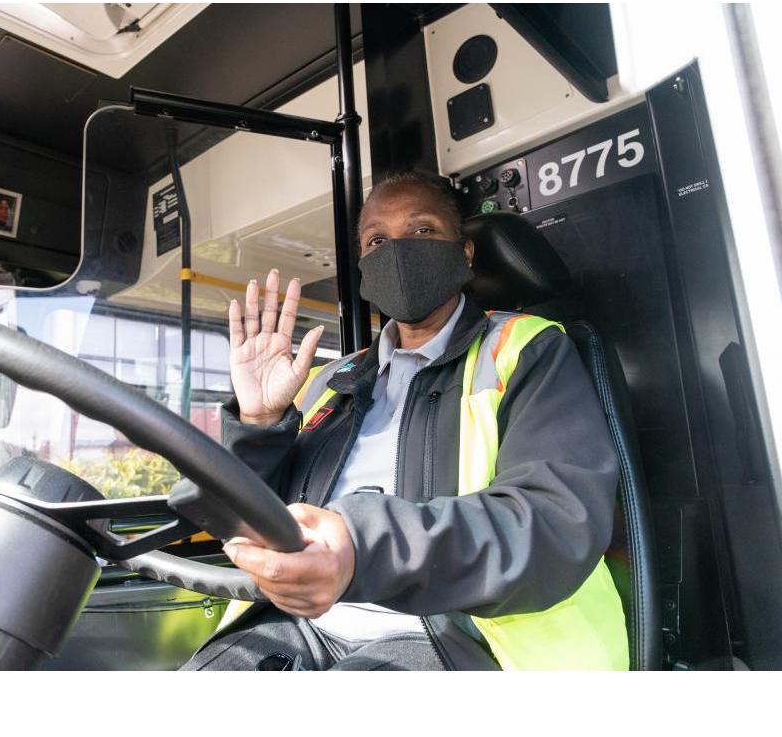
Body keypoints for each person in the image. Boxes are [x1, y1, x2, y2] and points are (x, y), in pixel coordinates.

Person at [180, 170, 629, 671]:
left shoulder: (527, 350)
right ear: (366, 269)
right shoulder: (333, 379)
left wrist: (362, 547)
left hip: (453, 631)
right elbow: (253, 519)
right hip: (300, 623)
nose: (398, 251)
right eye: (377, 240)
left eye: (421, 231)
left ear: (465, 252)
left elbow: (552, 521)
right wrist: (260, 421)